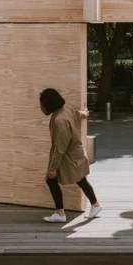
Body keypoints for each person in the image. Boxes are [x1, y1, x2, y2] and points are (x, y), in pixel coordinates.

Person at [39, 88, 101, 223]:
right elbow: (76, 114)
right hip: (74, 155)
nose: (41, 107)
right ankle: (95, 205)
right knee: (80, 180)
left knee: (52, 180)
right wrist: (84, 114)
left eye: (42, 103)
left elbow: (60, 148)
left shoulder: (59, 121)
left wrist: (52, 168)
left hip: (69, 158)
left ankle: (60, 214)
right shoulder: (64, 111)